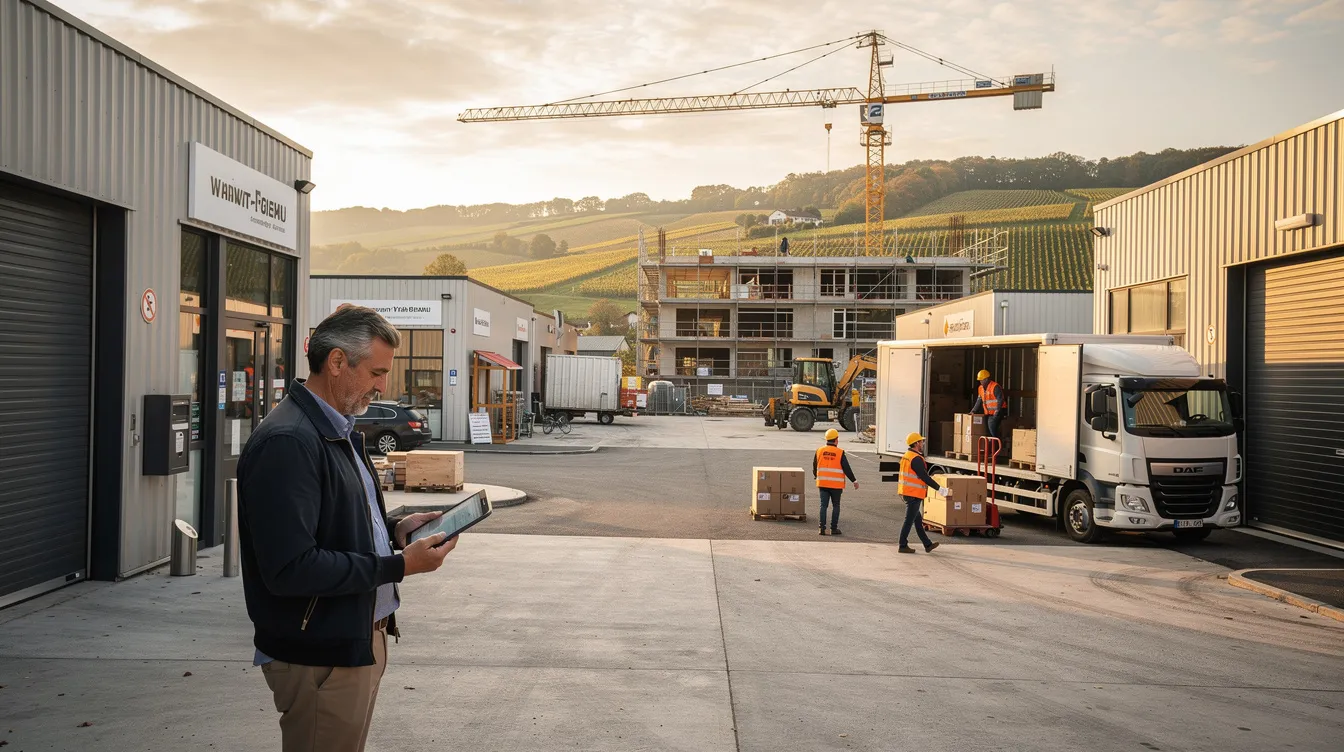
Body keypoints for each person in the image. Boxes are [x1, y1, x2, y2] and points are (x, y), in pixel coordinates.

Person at [238, 305, 457, 752]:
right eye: (377, 372)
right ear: (337, 362)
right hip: (319, 654)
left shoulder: (335, 431)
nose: (384, 386)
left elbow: (334, 526)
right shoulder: (290, 442)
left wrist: (395, 529)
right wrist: (397, 565)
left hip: (348, 642)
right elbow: (291, 568)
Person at [897, 431, 944, 554]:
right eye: (921, 441)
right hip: (913, 493)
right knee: (909, 520)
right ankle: (902, 545)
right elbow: (925, 477)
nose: (923, 443)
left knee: (917, 520)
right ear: (916, 443)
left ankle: (927, 544)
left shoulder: (907, 455)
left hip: (907, 492)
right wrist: (940, 489)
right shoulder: (916, 459)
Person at [813, 428, 859, 535]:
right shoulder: (840, 452)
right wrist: (854, 481)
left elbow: (814, 466)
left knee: (823, 506)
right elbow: (846, 468)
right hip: (836, 485)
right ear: (836, 440)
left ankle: (822, 528)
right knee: (836, 506)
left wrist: (817, 476)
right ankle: (833, 529)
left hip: (823, 484)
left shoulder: (819, 451)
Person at [971, 369, 1007, 443]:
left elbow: (1000, 399)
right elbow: (979, 401)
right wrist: (973, 411)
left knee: (991, 425)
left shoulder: (995, 386)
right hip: (988, 413)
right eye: (980, 380)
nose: (980, 382)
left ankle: (997, 443)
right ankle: (993, 444)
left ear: (987, 379)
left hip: (999, 411)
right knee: (987, 428)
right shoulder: (980, 388)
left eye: (982, 380)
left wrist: (997, 411)